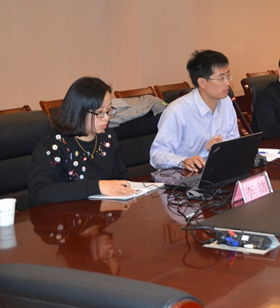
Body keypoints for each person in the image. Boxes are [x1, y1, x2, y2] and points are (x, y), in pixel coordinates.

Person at [28, 77, 133, 206]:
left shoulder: (108, 136)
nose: (106, 118)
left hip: (103, 211)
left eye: (109, 110)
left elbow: (121, 177)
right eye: (100, 113)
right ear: (79, 112)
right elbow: (39, 192)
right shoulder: (53, 145)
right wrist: (98, 186)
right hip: (65, 215)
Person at [149, 50, 239, 171]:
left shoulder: (226, 102)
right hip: (184, 174)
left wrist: (222, 146)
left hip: (216, 169)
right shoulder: (177, 111)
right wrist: (184, 161)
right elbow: (157, 155)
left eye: (228, 76)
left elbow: (234, 138)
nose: (227, 83)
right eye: (221, 78)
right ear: (202, 82)